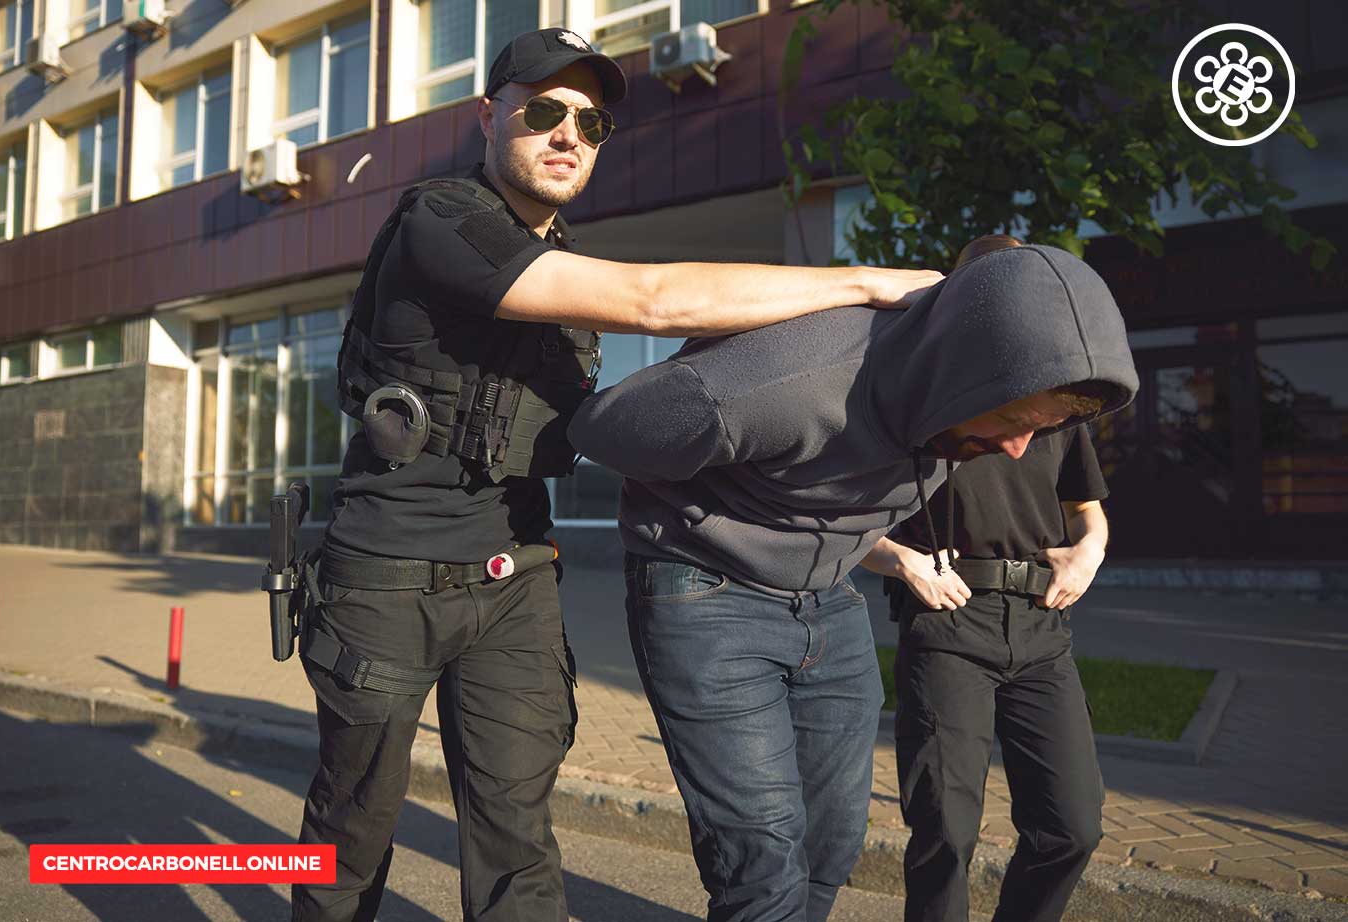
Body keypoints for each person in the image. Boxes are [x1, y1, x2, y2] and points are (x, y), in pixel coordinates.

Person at [291, 26, 943, 922]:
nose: (568, 135)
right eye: (546, 111)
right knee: (352, 825)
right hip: (385, 575)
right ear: (489, 117)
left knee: (518, 830)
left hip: (513, 570)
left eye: (591, 125)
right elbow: (656, 299)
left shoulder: (564, 265)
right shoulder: (439, 218)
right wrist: (864, 285)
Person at [566, 240, 1138, 922]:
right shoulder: (781, 389)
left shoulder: (960, 408)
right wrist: (715, 515)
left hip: (829, 600)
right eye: (1014, 423)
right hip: (709, 595)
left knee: (833, 841)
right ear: (959, 368)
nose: (1018, 449)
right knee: (763, 863)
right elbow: (605, 432)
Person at [860, 234, 1110, 922]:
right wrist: (902, 561)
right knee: (945, 830)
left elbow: (1089, 517)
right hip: (947, 625)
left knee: (1073, 827)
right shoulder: (913, 397)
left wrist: (1086, 555)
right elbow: (839, 522)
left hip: (1041, 629)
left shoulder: (1056, 401)